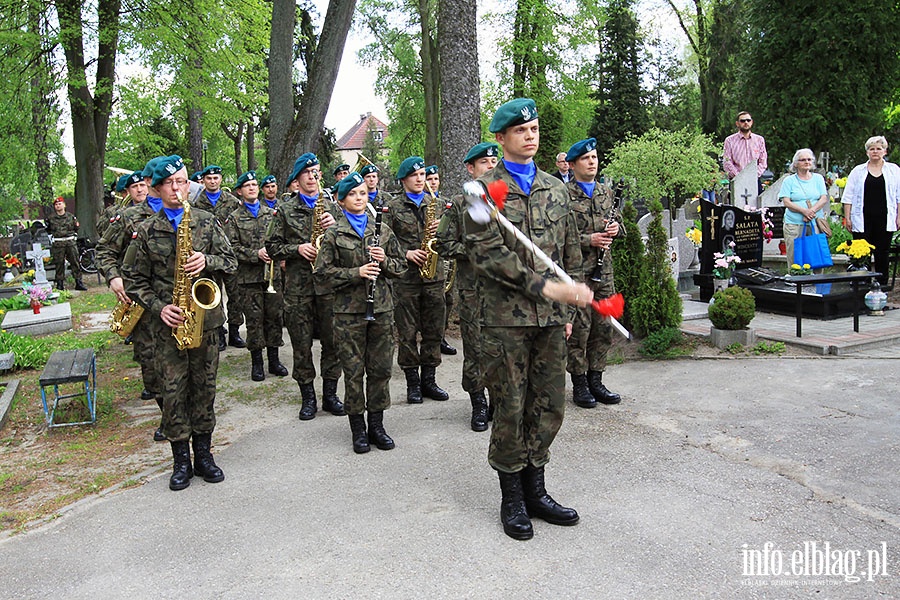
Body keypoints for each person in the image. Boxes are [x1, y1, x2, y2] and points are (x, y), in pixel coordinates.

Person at [464, 98, 591, 541]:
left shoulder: (557, 188)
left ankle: (536, 490)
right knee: (511, 405)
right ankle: (512, 497)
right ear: (501, 139)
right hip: (504, 320)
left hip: (553, 319)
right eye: (521, 131)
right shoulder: (481, 192)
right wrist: (541, 288)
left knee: (550, 404)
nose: (530, 136)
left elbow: (569, 251)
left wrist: (569, 304)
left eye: (534, 129)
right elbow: (485, 253)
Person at [125, 154, 238, 491]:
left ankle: (204, 455)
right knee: (173, 392)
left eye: (183, 181)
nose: (179, 189)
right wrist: (160, 308)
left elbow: (230, 261)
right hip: (168, 326)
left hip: (205, 321)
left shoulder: (206, 221)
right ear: (156, 189)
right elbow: (132, 280)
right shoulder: (145, 231)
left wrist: (208, 259)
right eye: (171, 184)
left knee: (205, 388)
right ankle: (181, 462)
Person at [316, 172, 407, 453]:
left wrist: (385, 261)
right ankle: (358, 428)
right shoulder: (333, 234)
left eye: (363, 194)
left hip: (380, 309)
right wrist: (356, 272)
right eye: (353, 194)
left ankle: (377, 425)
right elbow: (321, 275)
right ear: (341, 201)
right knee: (353, 371)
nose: (359, 198)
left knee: (380, 369)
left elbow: (401, 267)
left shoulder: (382, 231)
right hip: (348, 313)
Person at [265, 153, 345, 420]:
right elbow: (272, 247)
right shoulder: (285, 209)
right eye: (307, 172)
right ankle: (308, 397)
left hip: (328, 287)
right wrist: (298, 249)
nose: (313, 176)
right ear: (297, 179)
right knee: (301, 343)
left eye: (316, 171)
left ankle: (331, 394)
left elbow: (349, 244)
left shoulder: (333, 208)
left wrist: (336, 228)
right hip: (299, 288)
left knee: (333, 342)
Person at [434, 141, 499, 431]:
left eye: (494, 161)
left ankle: (499, 401)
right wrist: (472, 251)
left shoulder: (507, 200)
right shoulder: (460, 203)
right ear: (471, 169)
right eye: (485, 162)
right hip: (474, 290)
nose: (492, 166)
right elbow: (443, 243)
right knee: (475, 349)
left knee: (502, 348)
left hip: (503, 289)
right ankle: (478, 403)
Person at [96, 166, 163, 440]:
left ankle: (180, 419)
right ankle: (167, 415)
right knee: (150, 360)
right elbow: (104, 250)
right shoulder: (126, 217)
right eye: (136, 185)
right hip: (141, 300)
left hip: (175, 299)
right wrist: (113, 277)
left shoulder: (187, 212)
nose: (140, 188)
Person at [565, 137, 623, 408]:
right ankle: (579, 383)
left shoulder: (605, 192)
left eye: (595, 158)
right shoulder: (563, 194)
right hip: (578, 270)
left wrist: (614, 230)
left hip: (604, 271)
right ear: (573, 164)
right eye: (586, 159)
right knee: (580, 327)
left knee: (603, 325)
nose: (592, 162)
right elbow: (558, 235)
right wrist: (590, 240)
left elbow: (618, 223)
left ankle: (596, 379)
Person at [388, 156, 450, 404]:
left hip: (434, 277)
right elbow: (384, 241)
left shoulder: (438, 203)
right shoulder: (392, 207)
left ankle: (429, 381)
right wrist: (406, 253)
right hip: (406, 278)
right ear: (404, 179)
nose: (419, 179)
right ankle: (412, 383)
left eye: (422, 174)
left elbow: (450, 239)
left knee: (434, 330)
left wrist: (441, 232)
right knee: (407, 332)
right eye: (414, 175)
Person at [223, 171, 289, 382]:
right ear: (240, 191)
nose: (251, 188)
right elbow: (231, 248)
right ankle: (257, 362)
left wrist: (275, 254)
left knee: (274, 317)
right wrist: (255, 254)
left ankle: (274, 359)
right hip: (249, 278)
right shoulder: (233, 218)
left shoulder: (271, 214)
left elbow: (280, 241)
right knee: (254, 320)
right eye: (247, 185)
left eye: (254, 184)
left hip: (272, 276)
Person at [192, 164, 246, 350]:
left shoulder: (231, 201)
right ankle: (220, 331)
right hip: (209, 256)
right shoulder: (197, 204)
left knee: (234, 294)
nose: (213, 181)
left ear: (220, 179)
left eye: (216, 178)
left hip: (229, 254)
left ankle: (234, 330)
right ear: (204, 180)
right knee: (214, 295)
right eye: (209, 178)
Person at [842, 136, 900, 284]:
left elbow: (899, 196)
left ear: (885, 151)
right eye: (872, 149)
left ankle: (882, 284)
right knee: (861, 252)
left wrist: (899, 217)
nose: (875, 151)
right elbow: (848, 196)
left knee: (882, 253)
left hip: (885, 217)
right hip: (862, 218)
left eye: (879, 149)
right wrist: (847, 217)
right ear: (867, 152)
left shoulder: (894, 170)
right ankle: (862, 283)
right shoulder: (858, 171)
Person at [425, 164, 457, 356]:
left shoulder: (446, 203)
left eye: (436, 179)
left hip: (445, 256)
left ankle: (441, 336)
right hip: (428, 256)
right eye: (430, 179)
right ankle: (429, 337)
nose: (433, 183)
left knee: (448, 299)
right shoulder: (425, 203)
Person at [779, 149, 829, 268]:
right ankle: (796, 282)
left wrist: (811, 211)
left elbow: (823, 198)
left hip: (815, 222)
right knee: (795, 257)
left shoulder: (818, 178)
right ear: (796, 163)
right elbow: (786, 201)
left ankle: (817, 283)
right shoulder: (789, 181)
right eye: (803, 160)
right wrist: (804, 211)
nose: (807, 162)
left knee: (816, 256)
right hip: (794, 224)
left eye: (809, 159)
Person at [45, 197, 87, 291]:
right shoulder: (51, 218)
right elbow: (48, 230)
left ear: (64, 205)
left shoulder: (70, 217)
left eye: (60, 204)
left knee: (75, 262)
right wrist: (52, 239)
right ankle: (60, 284)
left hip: (70, 242)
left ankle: (78, 282)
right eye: (56, 204)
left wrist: (74, 237)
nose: (58, 206)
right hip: (58, 243)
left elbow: (76, 228)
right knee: (59, 264)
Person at [723, 111, 768, 189]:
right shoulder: (730, 140)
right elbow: (727, 162)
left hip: (754, 181)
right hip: (736, 181)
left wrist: (753, 175)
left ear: (752, 122)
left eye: (748, 120)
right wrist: (739, 176)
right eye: (742, 121)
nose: (746, 122)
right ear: (737, 123)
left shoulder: (759, 140)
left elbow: (763, 161)